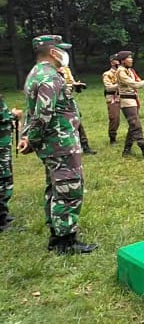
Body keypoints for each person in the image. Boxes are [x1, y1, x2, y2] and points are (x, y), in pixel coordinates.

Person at [17, 34, 97, 254]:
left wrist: (26, 136)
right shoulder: (50, 76)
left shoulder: (36, 74)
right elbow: (43, 114)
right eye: (61, 49)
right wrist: (31, 140)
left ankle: (57, 233)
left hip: (53, 143)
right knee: (69, 188)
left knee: (55, 187)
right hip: (59, 142)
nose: (65, 53)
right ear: (53, 52)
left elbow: (30, 110)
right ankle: (66, 241)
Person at [116, 51, 144, 157]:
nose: (131, 59)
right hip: (127, 101)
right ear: (122, 60)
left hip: (133, 100)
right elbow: (134, 84)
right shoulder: (121, 71)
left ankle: (126, 151)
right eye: (128, 58)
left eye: (131, 57)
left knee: (132, 126)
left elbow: (138, 82)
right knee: (136, 125)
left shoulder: (129, 70)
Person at [60, 65, 96, 155]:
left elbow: (71, 82)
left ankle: (85, 146)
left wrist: (76, 85)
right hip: (58, 102)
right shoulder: (51, 70)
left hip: (69, 100)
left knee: (77, 122)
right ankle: (65, 149)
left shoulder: (66, 69)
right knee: (62, 125)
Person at [0, 95, 21, 231]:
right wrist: (12, 115)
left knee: (6, 177)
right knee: (1, 178)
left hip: (3, 142)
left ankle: (3, 212)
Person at [102, 54, 121, 145]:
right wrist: (120, 85)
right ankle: (112, 137)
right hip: (113, 97)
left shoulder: (124, 71)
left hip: (125, 96)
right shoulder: (107, 74)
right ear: (112, 62)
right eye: (117, 60)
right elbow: (108, 87)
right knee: (115, 118)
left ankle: (134, 134)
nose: (119, 61)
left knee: (133, 116)